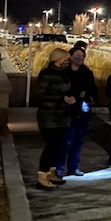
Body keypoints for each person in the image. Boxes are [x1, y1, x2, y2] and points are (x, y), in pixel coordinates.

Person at [36, 48, 73, 190]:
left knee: (57, 146)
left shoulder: (63, 74)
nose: (67, 62)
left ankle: (51, 173)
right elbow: (41, 96)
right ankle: (42, 176)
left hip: (62, 116)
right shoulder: (47, 74)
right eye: (65, 59)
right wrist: (61, 98)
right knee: (50, 147)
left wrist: (70, 97)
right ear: (57, 59)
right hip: (49, 117)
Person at [58, 47, 98, 177]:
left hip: (81, 111)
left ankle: (73, 167)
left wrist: (88, 100)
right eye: (77, 55)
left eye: (82, 55)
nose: (79, 57)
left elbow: (92, 90)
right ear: (70, 56)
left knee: (78, 141)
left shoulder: (86, 72)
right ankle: (58, 168)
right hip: (65, 111)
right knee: (65, 141)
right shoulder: (63, 72)